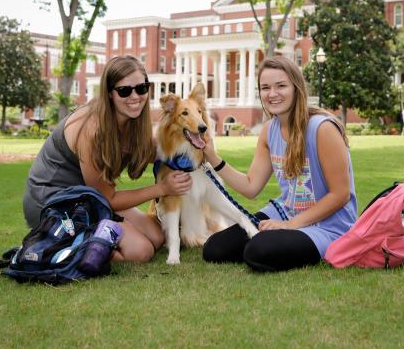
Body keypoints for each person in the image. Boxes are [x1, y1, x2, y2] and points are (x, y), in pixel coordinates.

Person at [22, 55, 192, 263]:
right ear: (110, 93)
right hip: (55, 204)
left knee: (157, 236)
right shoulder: (91, 130)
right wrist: (162, 189)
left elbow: (159, 151)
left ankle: (93, 235)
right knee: (141, 251)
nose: (135, 96)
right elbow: (109, 198)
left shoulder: (133, 122)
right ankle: (55, 245)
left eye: (141, 88)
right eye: (124, 90)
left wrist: (195, 145)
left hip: (90, 200)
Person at [202, 56, 357, 272]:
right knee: (215, 249)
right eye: (265, 88)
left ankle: (292, 243)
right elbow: (251, 186)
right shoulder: (269, 130)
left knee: (258, 251)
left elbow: (341, 194)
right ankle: (281, 241)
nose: (272, 94)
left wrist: (289, 226)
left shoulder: (322, 129)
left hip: (328, 226)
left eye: (281, 86)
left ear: (296, 88)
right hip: (286, 213)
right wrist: (212, 157)